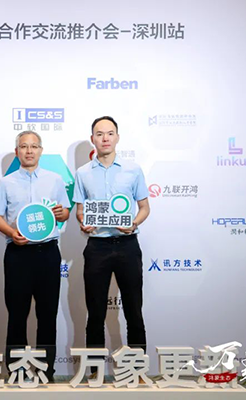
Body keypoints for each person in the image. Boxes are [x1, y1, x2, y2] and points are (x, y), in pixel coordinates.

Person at [0, 131, 70, 381]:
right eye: (24, 146)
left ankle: (46, 370)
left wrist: (62, 213)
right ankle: (16, 370)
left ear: (41, 151)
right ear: (17, 152)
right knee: (17, 315)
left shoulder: (55, 179)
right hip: (18, 254)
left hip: (47, 253)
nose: (29, 151)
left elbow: (65, 212)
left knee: (47, 315)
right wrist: (11, 233)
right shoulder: (6, 182)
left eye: (34, 146)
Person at [73, 116, 151, 357]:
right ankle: (93, 367)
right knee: (95, 311)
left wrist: (134, 223)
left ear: (117, 137)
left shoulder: (133, 170)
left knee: (133, 309)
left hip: (128, 245)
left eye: (109, 133)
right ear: (92, 139)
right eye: (99, 134)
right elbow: (80, 211)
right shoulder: (82, 173)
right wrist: (83, 223)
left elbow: (144, 207)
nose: (105, 138)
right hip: (97, 247)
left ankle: (137, 367)